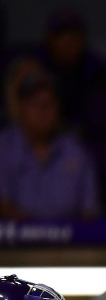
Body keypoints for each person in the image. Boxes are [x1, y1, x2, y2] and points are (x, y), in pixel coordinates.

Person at [0, 67, 99, 219]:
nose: (42, 111)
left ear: (58, 108)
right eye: (34, 103)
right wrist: (40, 231)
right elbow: (3, 206)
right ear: (21, 108)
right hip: (14, 241)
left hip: (71, 242)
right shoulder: (4, 148)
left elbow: (90, 212)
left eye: (48, 104)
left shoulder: (76, 152)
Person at [32, 7, 106, 128]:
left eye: (74, 35)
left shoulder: (98, 71)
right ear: (49, 38)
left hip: (85, 137)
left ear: (83, 38)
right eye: (61, 35)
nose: (68, 41)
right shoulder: (36, 67)